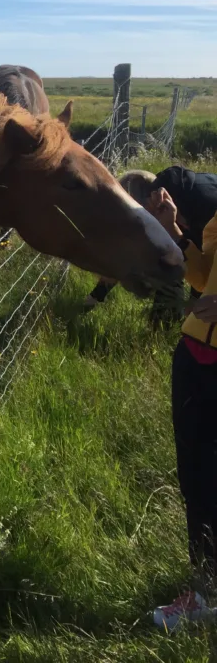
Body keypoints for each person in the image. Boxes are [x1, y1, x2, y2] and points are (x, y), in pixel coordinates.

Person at [149, 186, 217, 631]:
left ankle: (205, 597)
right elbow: (205, 277)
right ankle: (205, 588)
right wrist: (176, 230)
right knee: (196, 478)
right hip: (196, 357)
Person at [82, 166, 217, 325]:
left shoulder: (204, 211)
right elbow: (127, 257)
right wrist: (95, 296)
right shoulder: (165, 206)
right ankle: (164, 323)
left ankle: (165, 323)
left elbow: (207, 271)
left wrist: (196, 301)